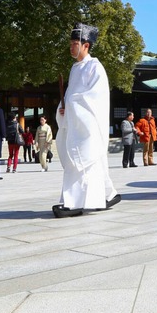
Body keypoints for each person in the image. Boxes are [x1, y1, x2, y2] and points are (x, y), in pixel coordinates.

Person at [54, 23, 120, 216]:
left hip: (88, 125)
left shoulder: (95, 67)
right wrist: (64, 107)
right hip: (75, 123)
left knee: (81, 162)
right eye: (71, 44)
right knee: (86, 163)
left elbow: (96, 96)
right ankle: (106, 194)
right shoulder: (75, 69)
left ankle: (73, 203)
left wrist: (72, 104)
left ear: (86, 45)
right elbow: (70, 95)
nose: (71, 47)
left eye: (75, 44)